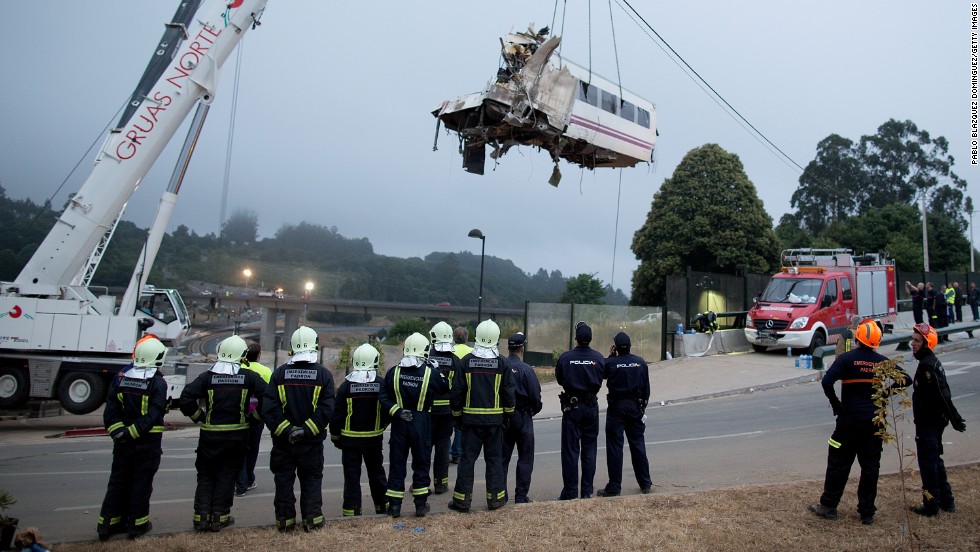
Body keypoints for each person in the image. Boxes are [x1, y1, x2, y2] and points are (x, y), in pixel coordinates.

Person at [809, 320, 910, 525]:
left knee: (838, 462)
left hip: (848, 422)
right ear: (877, 341)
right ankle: (866, 513)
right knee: (870, 467)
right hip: (874, 423)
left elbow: (827, 382)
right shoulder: (881, 361)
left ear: (857, 338)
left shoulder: (847, 359)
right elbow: (905, 379)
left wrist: (836, 404)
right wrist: (884, 395)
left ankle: (828, 506)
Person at [179, 335, 267, 532]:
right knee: (227, 476)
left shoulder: (207, 377)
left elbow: (185, 398)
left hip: (209, 436)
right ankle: (220, 517)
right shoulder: (249, 377)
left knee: (206, 476)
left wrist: (199, 416)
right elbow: (268, 396)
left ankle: (201, 518)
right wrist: (254, 418)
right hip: (236, 436)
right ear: (243, 355)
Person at [261, 326, 335, 533]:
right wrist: (306, 430)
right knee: (311, 480)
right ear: (315, 346)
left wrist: (288, 430)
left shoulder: (279, 374)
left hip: (283, 443)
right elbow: (327, 409)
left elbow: (269, 408)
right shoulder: (323, 375)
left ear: (292, 347)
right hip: (311, 443)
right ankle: (312, 520)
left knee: (283, 481)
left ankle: (285, 523)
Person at [97, 337, 169, 541]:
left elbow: (111, 412)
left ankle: (106, 525)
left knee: (117, 482)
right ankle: (137, 525)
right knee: (141, 483)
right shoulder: (157, 382)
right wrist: (133, 433)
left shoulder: (120, 377)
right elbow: (154, 414)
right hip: (147, 444)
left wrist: (120, 433)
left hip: (122, 443)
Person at [447, 320, 516, 513]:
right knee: (494, 460)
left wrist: (457, 416)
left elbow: (457, 392)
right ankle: (495, 500)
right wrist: (508, 415)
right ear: (496, 338)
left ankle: (462, 501)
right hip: (495, 424)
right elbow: (509, 393)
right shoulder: (502, 363)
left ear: (476, 337)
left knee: (467, 460)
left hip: (470, 423)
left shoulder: (466, 362)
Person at [380, 333, 448, 518]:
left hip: (400, 420)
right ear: (425, 350)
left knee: (397, 464)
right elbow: (445, 387)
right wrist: (438, 369)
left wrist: (396, 411)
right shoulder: (429, 372)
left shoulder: (393, 372)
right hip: (422, 421)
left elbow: (383, 396)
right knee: (421, 463)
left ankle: (394, 506)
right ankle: (420, 505)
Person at [908, 323, 967, 516]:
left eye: (917, 341)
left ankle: (931, 505)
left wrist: (955, 417)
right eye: (913, 339)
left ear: (927, 343)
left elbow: (942, 394)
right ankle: (946, 501)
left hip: (929, 422)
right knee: (935, 461)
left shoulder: (927, 365)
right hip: (932, 420)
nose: (912, 344)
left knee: (928, 464)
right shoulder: (929, 361)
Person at [329, 343, 390, 517]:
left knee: (351, 477)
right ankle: (382, 506)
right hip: (373, 439)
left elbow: (337, 415)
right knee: (377, 474)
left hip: (349, 441)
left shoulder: (346, 386)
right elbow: (387, 410)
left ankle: (351, 510)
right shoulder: (381, 384)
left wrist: (335, 437)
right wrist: (382, 426)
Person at [597, 332, 652, 497]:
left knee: (615, 446)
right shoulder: (640, 363)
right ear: (630, 345)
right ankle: (645, 483)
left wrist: (610, 356)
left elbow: (602, 374)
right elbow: (646, 389)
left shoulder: (610, 363)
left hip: (617, 407)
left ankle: (614, 486)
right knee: (638, 445)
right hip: (635, 406)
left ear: (615, 347)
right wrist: (642, 407)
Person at [555, 321, 605, 500]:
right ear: (591, 339)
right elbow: (602, 375)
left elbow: (560, 379)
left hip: (573, 407)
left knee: (570, 450)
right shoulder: (599, 358)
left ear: (576, 338)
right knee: (589, 450)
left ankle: (569, 492)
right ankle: (586, 491)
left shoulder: (565, 357)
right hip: (591, 407)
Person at [501, 332, 542, 504]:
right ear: (522, 349)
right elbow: (536, 396)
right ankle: (521, 496)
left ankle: (500, 495)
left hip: (504, 417)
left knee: (502, 458)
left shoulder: (501, 367)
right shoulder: (526, 369)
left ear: (509, 348)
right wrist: (531, 412)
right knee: (525, 457)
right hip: (523, 416)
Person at [428, 321, 462, 495]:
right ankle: (441, 484)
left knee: (424, 448)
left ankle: (422, 484)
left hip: (427, 411)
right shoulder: (455, 361)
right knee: (442, 447)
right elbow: (458, 389)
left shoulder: (426, 357)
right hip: (447, 413)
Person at [236, 342, 273, 497]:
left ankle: (242, 479)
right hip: (256, 416)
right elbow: (270, 394)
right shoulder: (265, 371)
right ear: (259, 355)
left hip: (238, 415)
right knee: (252, 449)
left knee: (239, 449)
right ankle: (247, 479)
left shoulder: (239, 369)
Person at [450, 325, 473, 464]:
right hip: (464, 393)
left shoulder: (450, 351)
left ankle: (445, 452)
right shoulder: (471, 351)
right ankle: (456, 453)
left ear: (453, 338)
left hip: (447, 392)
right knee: (459, 426)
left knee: (446, 427)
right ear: (466, 338)